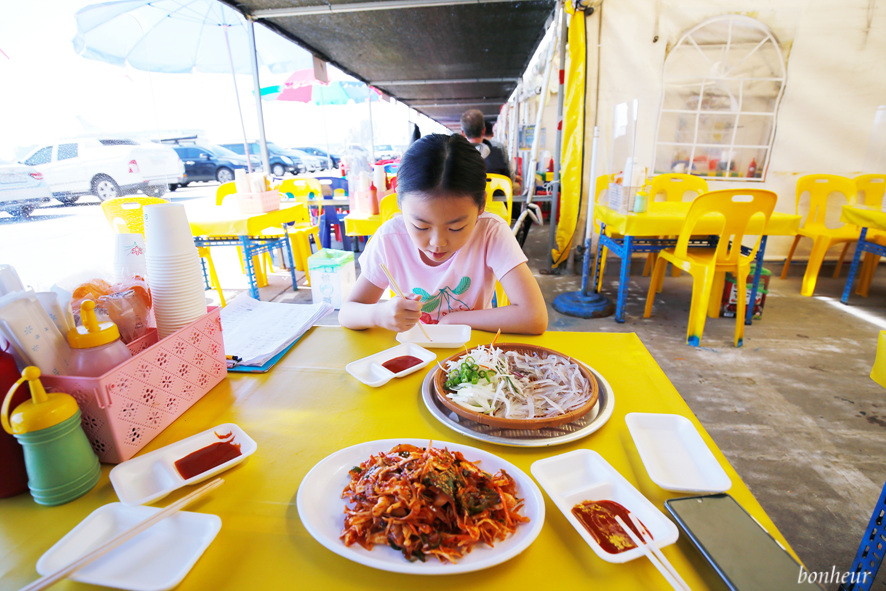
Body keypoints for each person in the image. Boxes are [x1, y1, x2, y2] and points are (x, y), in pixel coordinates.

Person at [339, 134, 547, 335]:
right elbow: (347, 313)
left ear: (481, 205)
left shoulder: (490, 233)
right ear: (400, 204)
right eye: (421, 227)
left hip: (470, 355)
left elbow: (535, 316)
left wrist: (454, 320)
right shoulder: (389, 239)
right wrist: (378, 314)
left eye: (456, 228)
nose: (438, 243)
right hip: (413, 354)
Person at [460, 109, 511, 178]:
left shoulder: (455, 156)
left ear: (463, 133)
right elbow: (508, 178)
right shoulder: (498, 152)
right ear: (483, 131)